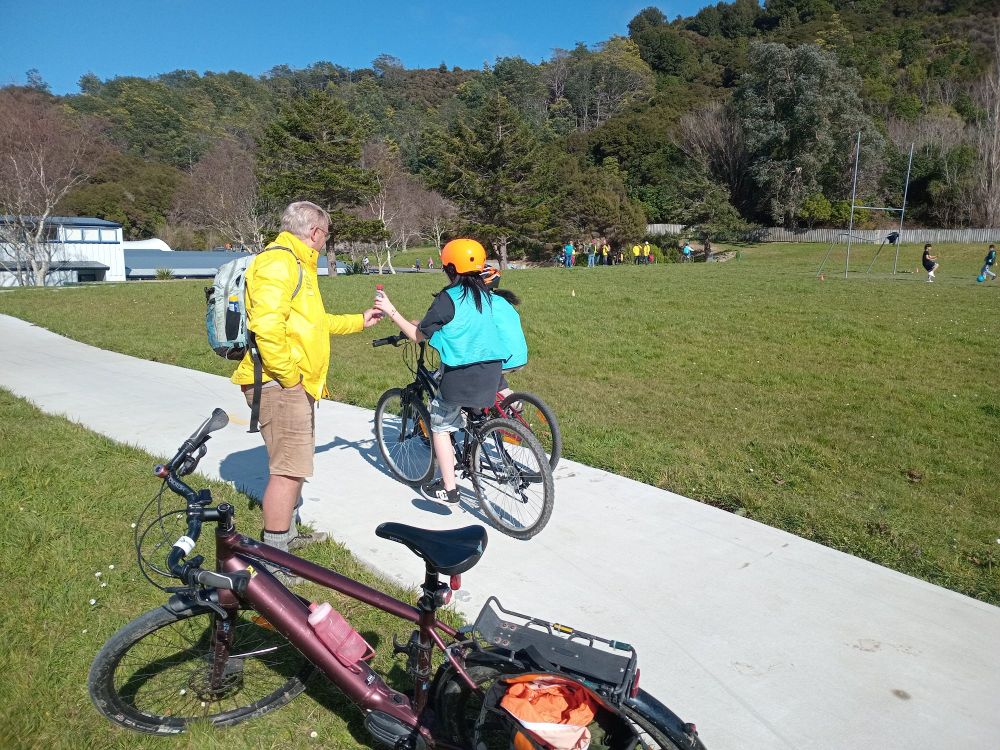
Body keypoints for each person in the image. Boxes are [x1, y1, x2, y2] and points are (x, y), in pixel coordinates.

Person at [232, 201, 382, 577]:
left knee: (295, 467)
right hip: (279, 383)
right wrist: (291, 379)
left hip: (291, 383)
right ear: (315, 233)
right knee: (287, 471)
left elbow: (314, 322)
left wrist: (359, 321)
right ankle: (275, 560)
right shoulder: (278, 262)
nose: (325, 241)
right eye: (326, 234)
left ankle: (289, 537)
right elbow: (266, 328)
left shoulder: (299, 265)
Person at [373, 238, 509, 504]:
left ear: (450, 268)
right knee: (472, 413)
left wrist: (390, 310)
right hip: (493, 369)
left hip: (462, 374)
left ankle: (449, 489)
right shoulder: (485, 294)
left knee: (440, 426)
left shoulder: (448, 298)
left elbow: (417, 335)